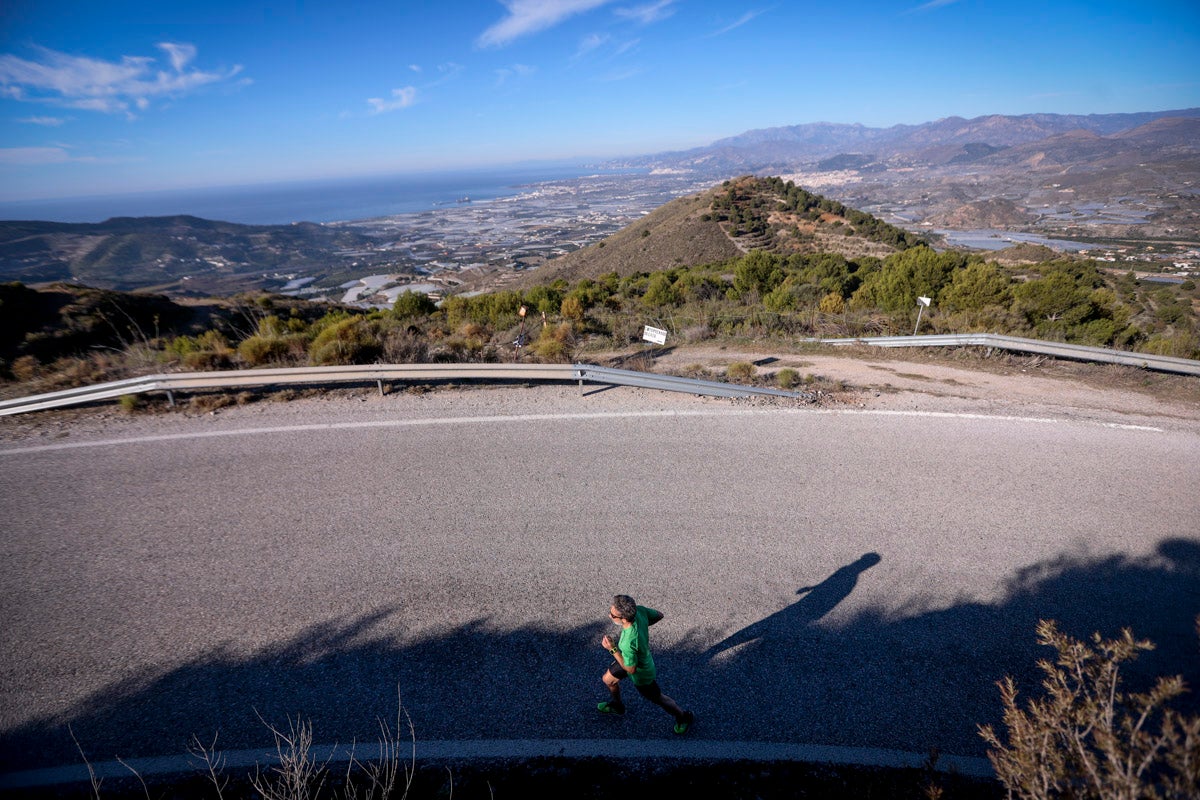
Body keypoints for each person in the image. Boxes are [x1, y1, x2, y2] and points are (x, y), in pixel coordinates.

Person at [598, 594, 694, 735]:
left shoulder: (628, 642)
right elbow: (659, 615)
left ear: (624, 619)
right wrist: (643, 627)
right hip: (628, 658)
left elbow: (631, 669)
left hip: (641, 672)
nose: (609, 616)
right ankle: (618, 706)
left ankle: (683, 717)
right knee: (608, 680)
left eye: (612, 615)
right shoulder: (640, 611)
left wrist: (612, 649)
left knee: (659, 698)